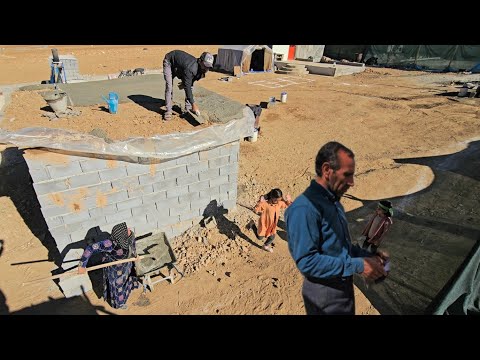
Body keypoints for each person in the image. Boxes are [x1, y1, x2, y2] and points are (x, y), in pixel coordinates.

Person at [285, 141, 387, 315]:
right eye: (347, 174)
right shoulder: (303, 210)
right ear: (327, 171)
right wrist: (358, 265)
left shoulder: (334, 205)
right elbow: (307, 262)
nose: (352, 182)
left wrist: (367, 257)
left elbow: (338, 246)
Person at [77, 222, 140, 310]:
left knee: (129, 277)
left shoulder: (130, 236)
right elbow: (90, 248)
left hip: (127, 264)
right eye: (126, 230)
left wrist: (136, 256)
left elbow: (133, 246)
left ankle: (132, 285)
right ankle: (119, 304)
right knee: (118, 287)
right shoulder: (110, 243)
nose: (129, 229)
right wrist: (81, 265)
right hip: (115, 270)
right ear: (121, 235)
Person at [162, 50, 214, 120]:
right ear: (200, 61)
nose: (206, 69)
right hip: (169, 62)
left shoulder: (200, 70)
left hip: (179, 67)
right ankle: (168, 111)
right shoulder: (191, 68)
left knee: (190, 87)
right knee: (169, 86)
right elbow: (187, 87)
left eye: (208, 67)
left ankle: (188, 109)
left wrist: (185, 83)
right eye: (205, 66)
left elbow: (190, 83)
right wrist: (193, 104)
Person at [246, 188, 292, 253]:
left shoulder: (279, 203)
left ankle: (265, 246)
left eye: (279, 200)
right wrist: (260, 202)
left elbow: (289, 206)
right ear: (272, 197)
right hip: (264, 224)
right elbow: (256, 210)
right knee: (259, 237)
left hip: (272, 226)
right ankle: (252, 224)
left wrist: (288, 201)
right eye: (276, 200)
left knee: (272, 237)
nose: (278, 201)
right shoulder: (265, 204)